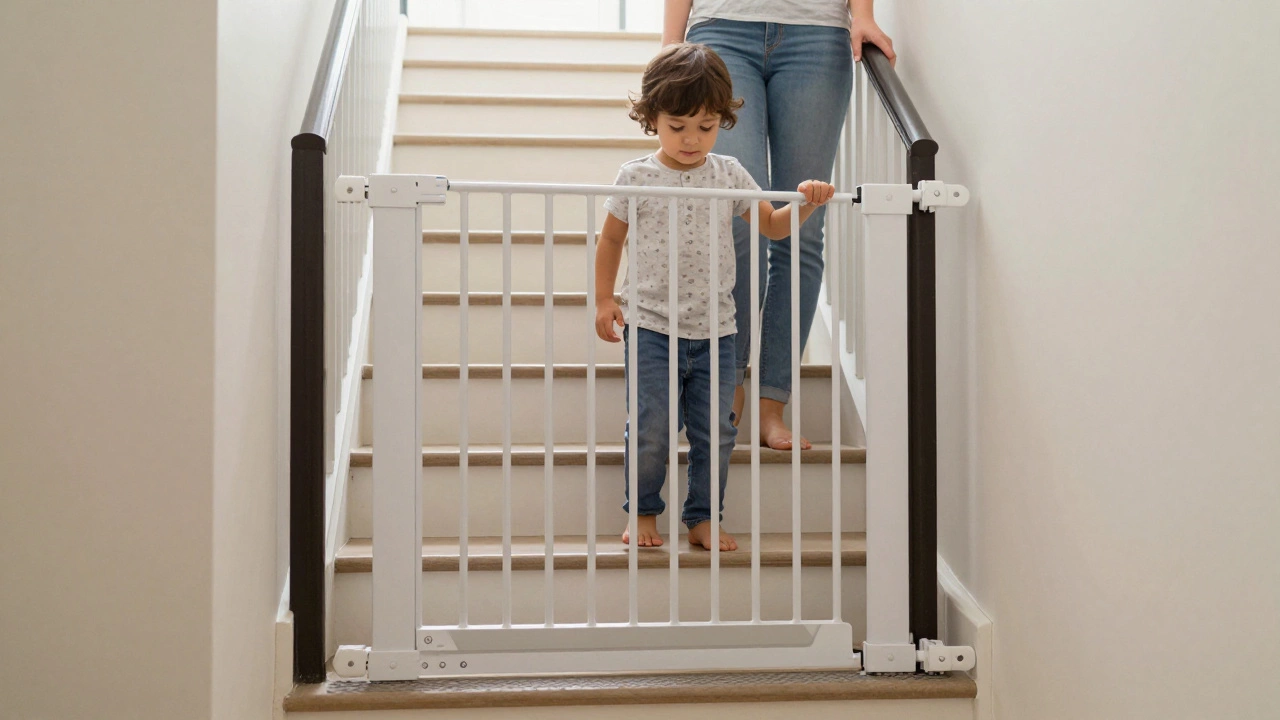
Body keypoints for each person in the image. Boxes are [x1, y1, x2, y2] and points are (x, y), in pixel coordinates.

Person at [594, 43, 835, 551]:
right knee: (653, 428)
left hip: (718, 331)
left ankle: (703, 516)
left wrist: (806, 204)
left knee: (717, 430)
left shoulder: (727, 173)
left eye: (705, 127)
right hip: (652, 326)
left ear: (721, 121)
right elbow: (611, 240)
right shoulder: (636, 177)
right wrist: (603, 299)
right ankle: (642, 511)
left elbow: (771, 226)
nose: (691, 139)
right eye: (678, 126)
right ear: (652, 117)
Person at [666, 0, 895, 450]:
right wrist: (672, 44)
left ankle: (773, 405)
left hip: (818, 37)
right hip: (722, 31)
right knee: (740, 218)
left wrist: (863, 14)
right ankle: (727, 387)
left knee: (802, 227)